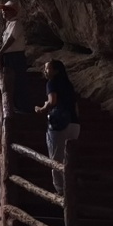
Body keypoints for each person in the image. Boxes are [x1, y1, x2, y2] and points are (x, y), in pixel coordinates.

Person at [35, 60, 80, 194]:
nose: (45, 71)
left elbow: (52, 101)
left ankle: (61, 191)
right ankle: (72, 189)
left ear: (56, 71)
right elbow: (76, 107)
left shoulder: (51, 83)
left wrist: (42, 108)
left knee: (56, 159)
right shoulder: (69, 85)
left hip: (59, 124)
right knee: (69, 158)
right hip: (74, 124)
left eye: (47, 68)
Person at [0, 0, 30, 114]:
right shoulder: (9, 24)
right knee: (10, 82)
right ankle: (14, 106)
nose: (3, 12)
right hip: (10, 56)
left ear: (13, 11)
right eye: (3, 10)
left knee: (18, 81)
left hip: (15, 56)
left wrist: (0, 53)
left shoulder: (16, 24)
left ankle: (23, 107)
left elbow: (10, 41)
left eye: (6, 10)